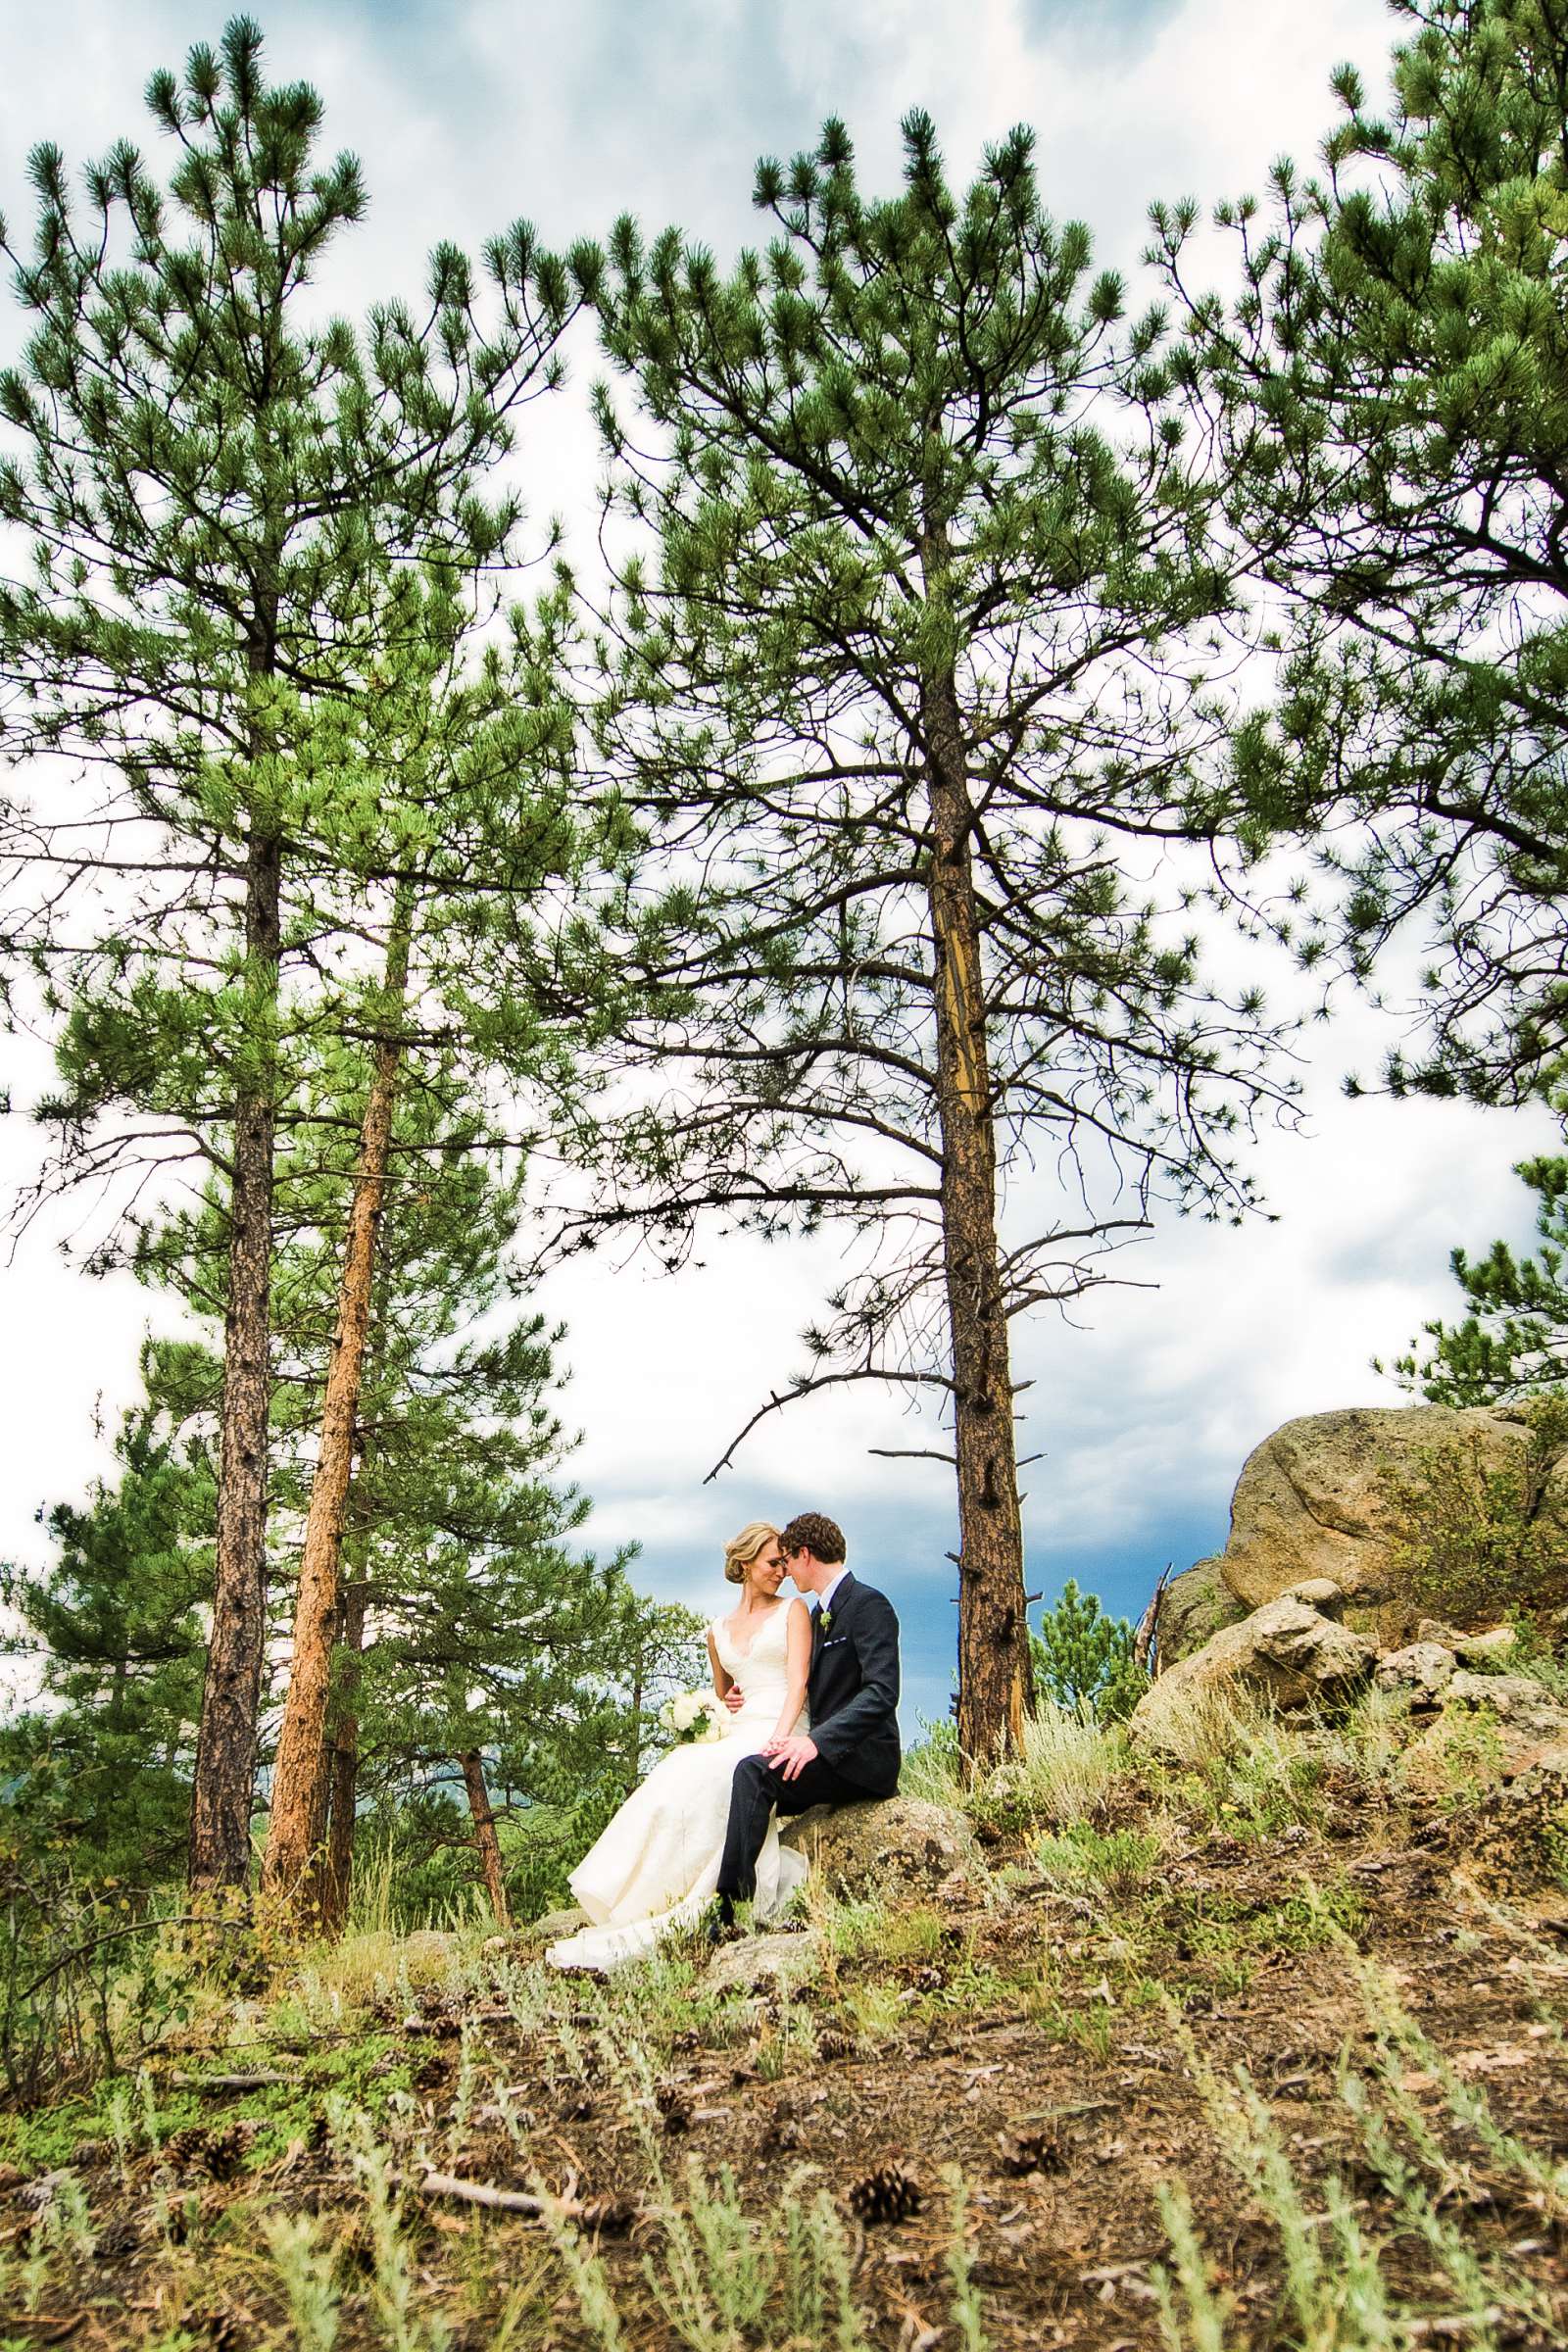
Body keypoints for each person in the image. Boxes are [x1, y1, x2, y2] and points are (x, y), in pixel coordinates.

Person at [546, 1521, 811, 1972]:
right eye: (773, 1563)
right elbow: (724, 1692)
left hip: (782, 1722)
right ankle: (646, 1896)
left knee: (718, 1772)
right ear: (745, 1564)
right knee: (674, 1771)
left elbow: (799, 1681)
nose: (782, 1572)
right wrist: (720, 1707)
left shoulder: (795, 1611)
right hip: (741, 1724)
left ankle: (718, 1898)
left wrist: (781, 1737)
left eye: (786, 1563)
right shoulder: (718, 1630)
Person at [712, 1509, 901, 1924]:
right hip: (825, 1758)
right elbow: (793, 1679)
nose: (784, 1571)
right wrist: (742, 1694)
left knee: (753, 1772)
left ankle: (729, 1910)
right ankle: (737, 1902)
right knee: (748, 1775)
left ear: (804, 1554)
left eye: (786, 1560)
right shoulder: (815, 1617)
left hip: (863, 1761)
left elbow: (882, 1693)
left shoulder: (869, 1604)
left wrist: (815, 1741)